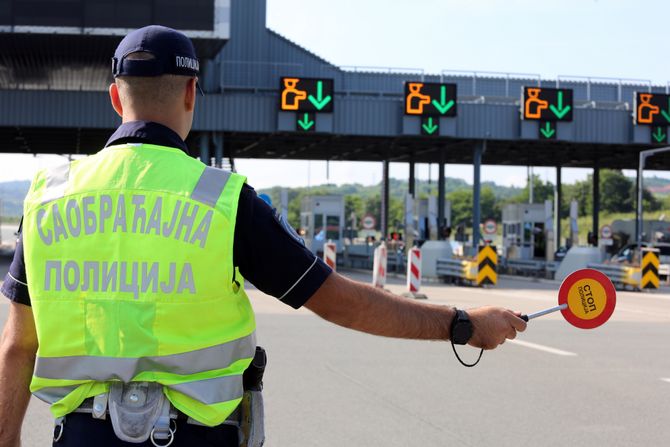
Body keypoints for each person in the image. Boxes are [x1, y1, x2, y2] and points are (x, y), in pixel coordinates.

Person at [0, 25, 526, 447]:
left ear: (115, 98)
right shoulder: (222, 200)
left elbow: (18, 347)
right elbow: (341, 302)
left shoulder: (47, 198)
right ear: (190, 93)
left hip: (81, 437)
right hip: (194, 438)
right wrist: (462, 324)